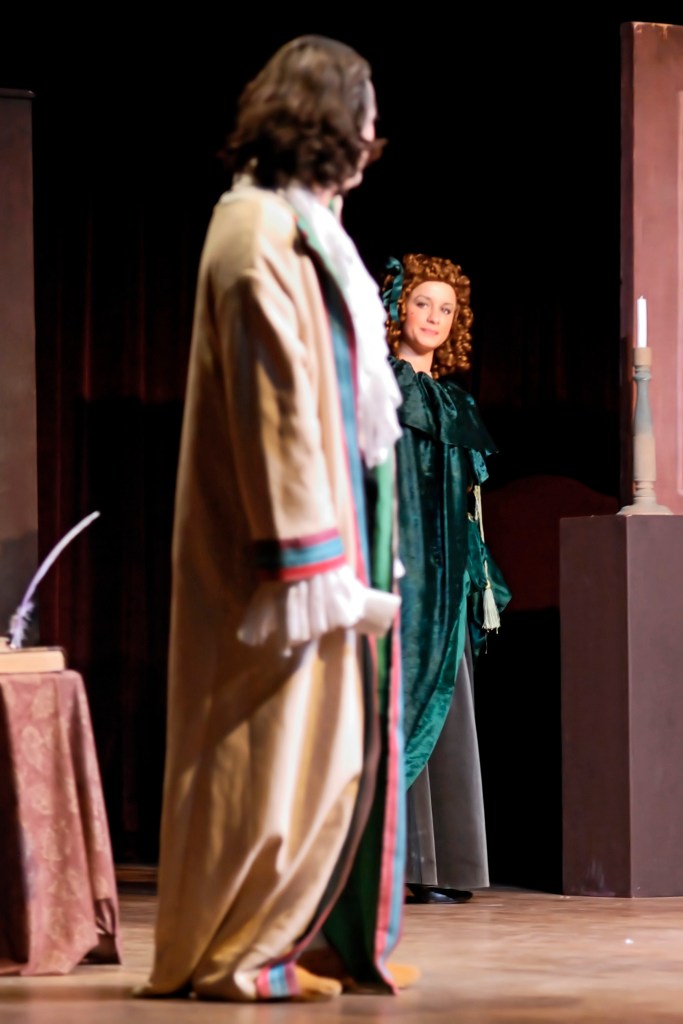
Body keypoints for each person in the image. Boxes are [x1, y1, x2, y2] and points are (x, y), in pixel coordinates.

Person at [135, 36, 410, 1003]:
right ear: (328, 121)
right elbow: (276, 406)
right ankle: (236, 949)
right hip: (279, 556)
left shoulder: (301, 225)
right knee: (269, 743)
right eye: (364, 116)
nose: (374, 135)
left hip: (321, 530)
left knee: (318, 744)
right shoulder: (257, 234)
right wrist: (310, 563)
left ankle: (292, 936)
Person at [382, 253, 511, 906]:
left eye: (446, 309)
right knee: (398, 701)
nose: (433, 317)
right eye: (422, 303)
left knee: (450, 708)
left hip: (450, 569)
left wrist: (475, 570)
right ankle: (392, 865)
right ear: (398, 308)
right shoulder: (378, 388)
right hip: (399, 571)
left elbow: (468, 502)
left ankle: (444, 867)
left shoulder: (456, 403)